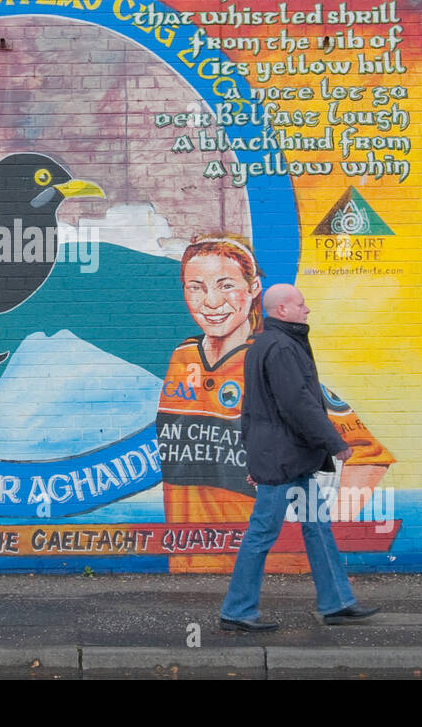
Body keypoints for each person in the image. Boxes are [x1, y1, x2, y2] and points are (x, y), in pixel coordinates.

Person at [157, 235, 393, 573]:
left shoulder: (268, 354)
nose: (210, 301)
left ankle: (323, 591)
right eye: (195, 286)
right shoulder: (181, 357)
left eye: (226, 285)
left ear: (253, 288)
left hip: (276, 564)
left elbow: (367, 457)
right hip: (188, 565)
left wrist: (328, 524)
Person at [219, 283, 379, 631]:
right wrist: (336, 443)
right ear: (283, 311)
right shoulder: (281, 348)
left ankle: (336, 603)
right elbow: (299, 405)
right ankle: (236, 611)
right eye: (301, 305)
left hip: (289, 462)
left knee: (317, 529)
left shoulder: (268, 344)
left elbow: (251, 409)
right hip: (282, 465)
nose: (307, 310)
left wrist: (253, 455)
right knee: (262, 534)